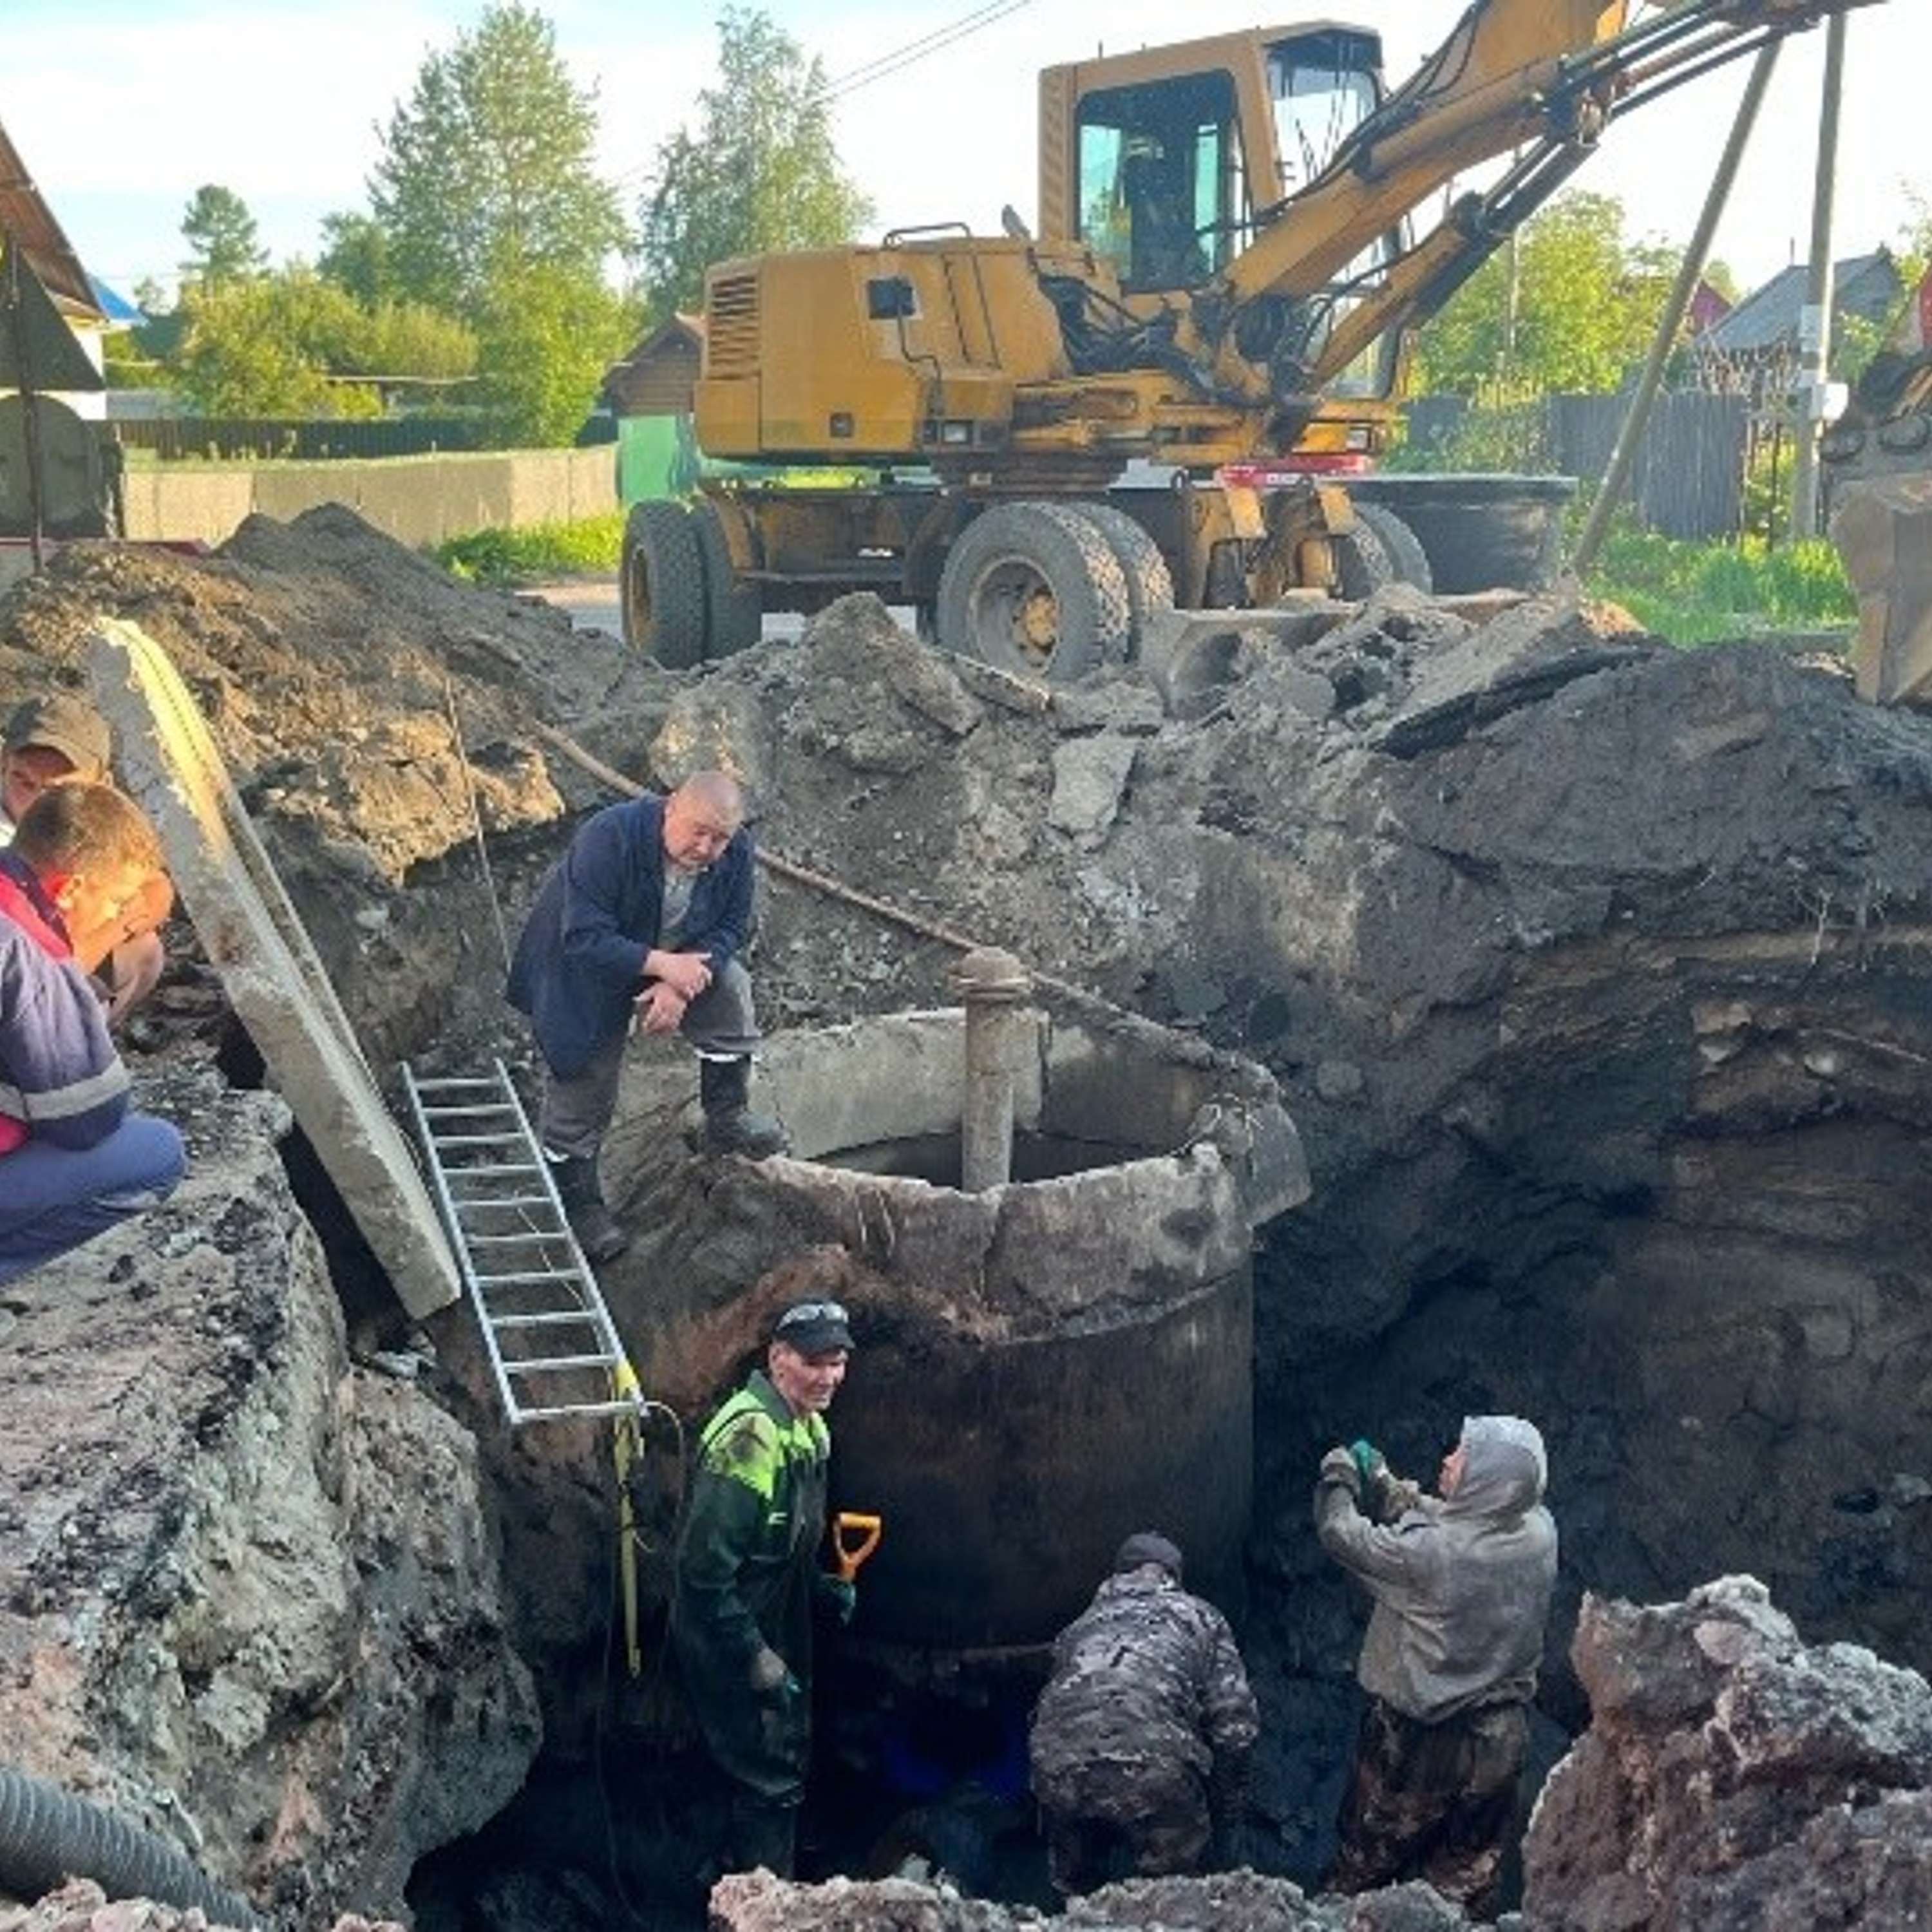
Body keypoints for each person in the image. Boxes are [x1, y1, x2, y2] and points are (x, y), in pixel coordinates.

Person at [506, 768, 786, 1263]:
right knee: (584, 1075)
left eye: (719, 838)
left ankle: (726, 1119)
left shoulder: (736, 852)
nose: (706, 847)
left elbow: (728, 928)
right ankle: (580, 1202)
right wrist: (664, 966)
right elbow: (585, 935)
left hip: (671, 960)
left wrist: (679, 985)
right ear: (670, 807)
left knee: (731, 986)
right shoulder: (610, 837)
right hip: (581, 967)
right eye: (698, 831)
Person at [1314, 1416, 1558, 1917]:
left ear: (1488, 1482)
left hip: (1422, 1741)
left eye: (1463, 1457)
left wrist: (1339, 1477)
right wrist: (1386, 1483)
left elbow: (1342, 1535)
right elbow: (1458, 1521)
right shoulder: (1538, 1528)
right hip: (1501, 1739)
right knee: (1464, 1876)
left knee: (1366, 1863)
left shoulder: (1432, 1557)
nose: (1448, 1459)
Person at [671, 1298, 857, 1879]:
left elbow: (785, 1551)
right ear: (778, 1358)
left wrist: (824, 1588)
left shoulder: (809, 1430)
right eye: (814, 1362)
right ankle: (762, 1899)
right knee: (768, 1772)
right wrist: (753, 1655)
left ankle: (732, 1865)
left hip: (776, 1618)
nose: (829, 1377)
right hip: (724, 1631)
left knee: (785, 1753)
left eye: (838, 1361)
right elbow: (702, 1575)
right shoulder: (749, 1440)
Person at [0, 781, 186, 1282]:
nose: (117, 918)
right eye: (116, 902)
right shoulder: (29, 950)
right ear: (71, 888)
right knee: (155, 1153)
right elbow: (86, 1120)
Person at [1028, 1531, 1259, 1897]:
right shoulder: (1202, 1618)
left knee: (1075, 1891)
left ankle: (1070, 1901)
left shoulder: (1077, 1628)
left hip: (1059, 1771)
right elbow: (1235, 1730)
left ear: (1119, 1574)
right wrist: (1227, 1813)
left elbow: (1053, 1712)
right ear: (1173, 1577)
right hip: (1155, 1773)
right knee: (1172, 1898)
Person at [1, 694, 171, 1025]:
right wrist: (119, 924)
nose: (36, 803)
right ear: (4, 763)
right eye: (24, 782)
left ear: (99, 787)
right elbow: (45, 966)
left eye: (56, 792)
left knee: (145, 952)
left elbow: (155, 882)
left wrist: (129, 912)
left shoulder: (98, 823)